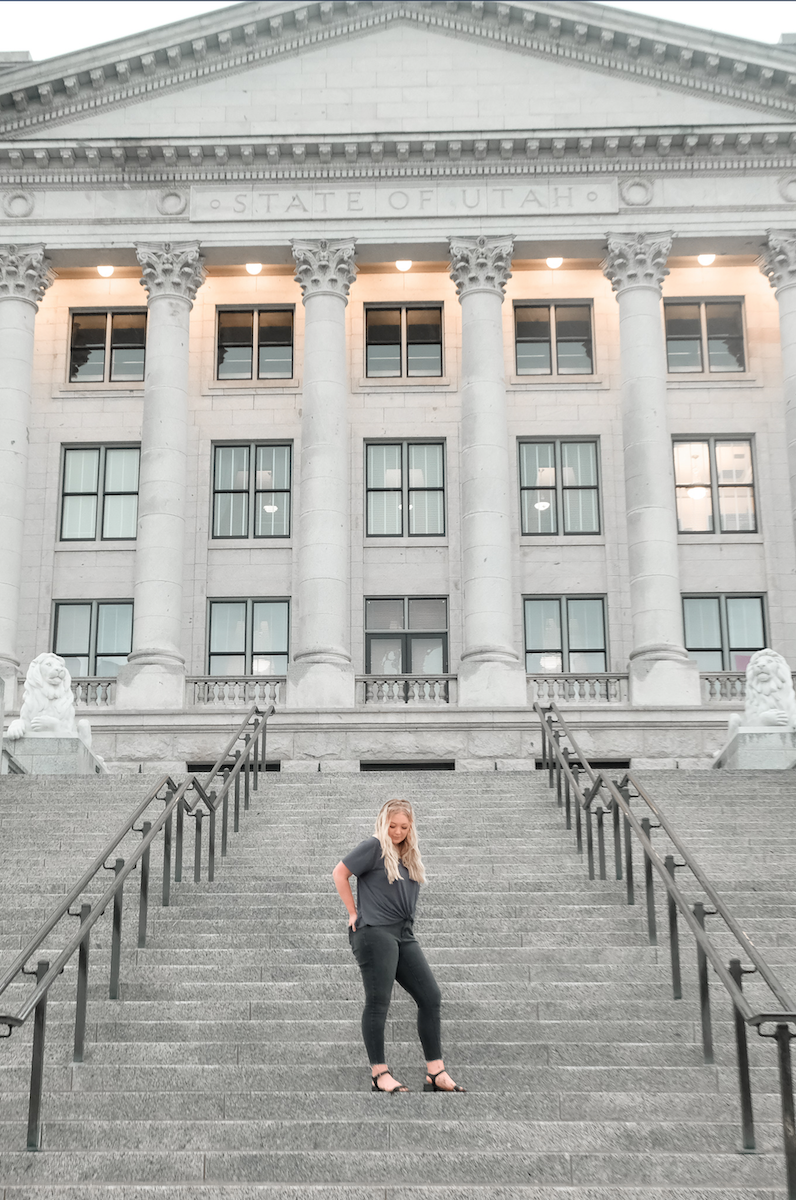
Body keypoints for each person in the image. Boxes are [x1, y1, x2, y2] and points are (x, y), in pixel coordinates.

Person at [332, 798, 465, 1094]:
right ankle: (379, 1075)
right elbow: (339, 872)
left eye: (404, 826)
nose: (397, 831)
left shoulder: (408, 854)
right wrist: (353, 913)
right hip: (375, 931)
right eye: (392, 825)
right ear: (383, 822)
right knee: (379, 1001)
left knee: (430, 996)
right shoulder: (374, 846)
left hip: (403, 933)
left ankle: (435, 1072)